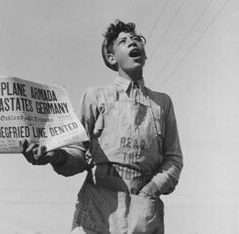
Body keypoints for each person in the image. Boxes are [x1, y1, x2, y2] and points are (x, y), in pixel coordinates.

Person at [22, 20, 183, 234]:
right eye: (123, 41)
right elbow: (79, 152)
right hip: (97, 211)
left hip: (143, 215)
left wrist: (151, 190)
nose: (132, 42)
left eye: (137, 39)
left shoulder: (163, 103)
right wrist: (54, 156)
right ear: (111, 58)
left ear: (144, 53)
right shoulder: (96, 97)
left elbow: (173, 159)